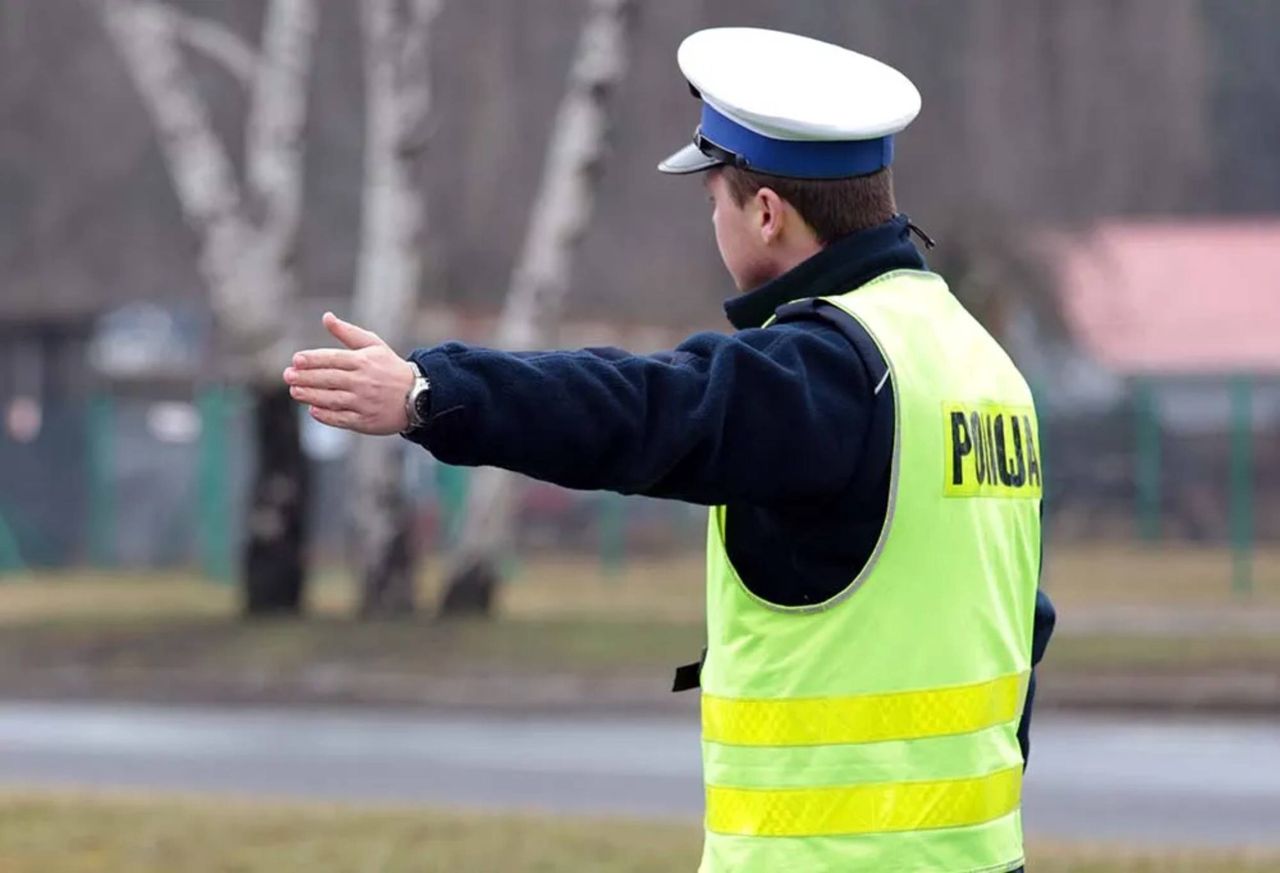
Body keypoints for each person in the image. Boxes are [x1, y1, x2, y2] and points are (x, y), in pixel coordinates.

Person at [284, 27, 1055, 873]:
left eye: (714, 203)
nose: (713, 226)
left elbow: (648, 409)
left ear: (766, 214)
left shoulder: (834, 368)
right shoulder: (976, 361)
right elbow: (1021, 617)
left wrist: (429, 394)